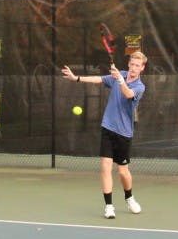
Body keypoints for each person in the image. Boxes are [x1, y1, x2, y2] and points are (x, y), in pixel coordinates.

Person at [61, 51, 147, 219]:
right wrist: (76, 78)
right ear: (128, 64)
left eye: (138, 65)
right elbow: (99, 80)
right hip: (108, 128)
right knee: (106, 166)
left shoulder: (139, 87)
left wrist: (120, 80)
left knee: (123, 171)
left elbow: (128, 94)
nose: (134, 68)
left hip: (124, 133)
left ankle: (129, 197)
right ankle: (109, 206)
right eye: (132, 64)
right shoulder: (118, 75)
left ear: (142, 68)